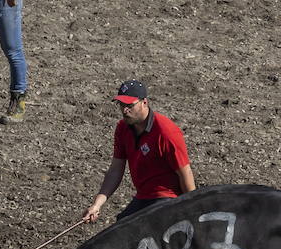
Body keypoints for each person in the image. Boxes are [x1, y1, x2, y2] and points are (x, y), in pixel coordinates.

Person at [83, 79, 196, 223]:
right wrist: (97, 204)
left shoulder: (166, 132)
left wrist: (193, 210)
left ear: (144, 103)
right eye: (121, 104)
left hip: (168, 197)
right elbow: (116, 170)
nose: (125, 110)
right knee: (121, 225)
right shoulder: (122, 128)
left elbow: (185, 173)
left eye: (129, 105)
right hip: (143, 196)